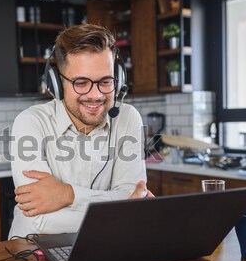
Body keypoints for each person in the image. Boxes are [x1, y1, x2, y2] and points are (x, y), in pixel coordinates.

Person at [9, 23, 153, 238]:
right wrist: (121, 212)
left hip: (103, 246)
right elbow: (40, 220)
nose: (95, 95)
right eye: (81, 83)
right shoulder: (30, 123)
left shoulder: (127, 117)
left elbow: (132, 198)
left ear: (119, 79)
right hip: (32, 254)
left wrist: (69, 195)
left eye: (105, 81)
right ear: (57, 83)